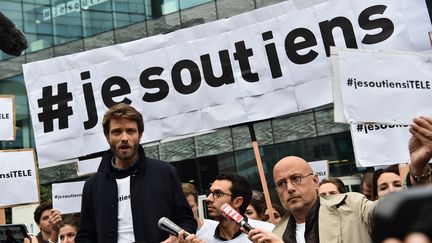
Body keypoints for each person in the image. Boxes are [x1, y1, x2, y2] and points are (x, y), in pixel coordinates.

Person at [246, 116, 432, 243]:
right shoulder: (276, 234)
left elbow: (399, 213)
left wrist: (418, 170)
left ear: (315, 182)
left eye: (296, 178)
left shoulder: (351, 206)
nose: (290, 188)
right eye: (281, 184)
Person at [76, 103, 196, 243]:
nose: (124, 138)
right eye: (117, 132)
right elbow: (84, 237)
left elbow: (186, 220)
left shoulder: (166, 172)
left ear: (140, 135)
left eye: (131, 131)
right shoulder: (92, 186)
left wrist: (177, 238)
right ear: (107, 136)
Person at [200, 172, 274, 242]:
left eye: (218, 193)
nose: (208, 199)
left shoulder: (267, 233)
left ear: (237, 201)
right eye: (209, 193)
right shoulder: (203, 239)